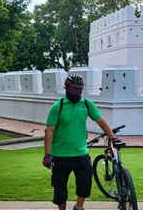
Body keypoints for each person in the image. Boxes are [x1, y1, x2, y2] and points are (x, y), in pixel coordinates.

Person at [43, 73, 118, 210]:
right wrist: (48, 155)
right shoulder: (57, 107)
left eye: (79, 86)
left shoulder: (87, 104)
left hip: (81, 153)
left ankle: (79, 206)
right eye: (74, 86)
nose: (77, 89)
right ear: (66, 87)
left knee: (85, 183)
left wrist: (113, 137)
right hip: (60, 155)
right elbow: (49, 131)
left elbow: (100, 120)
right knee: (60, 189)